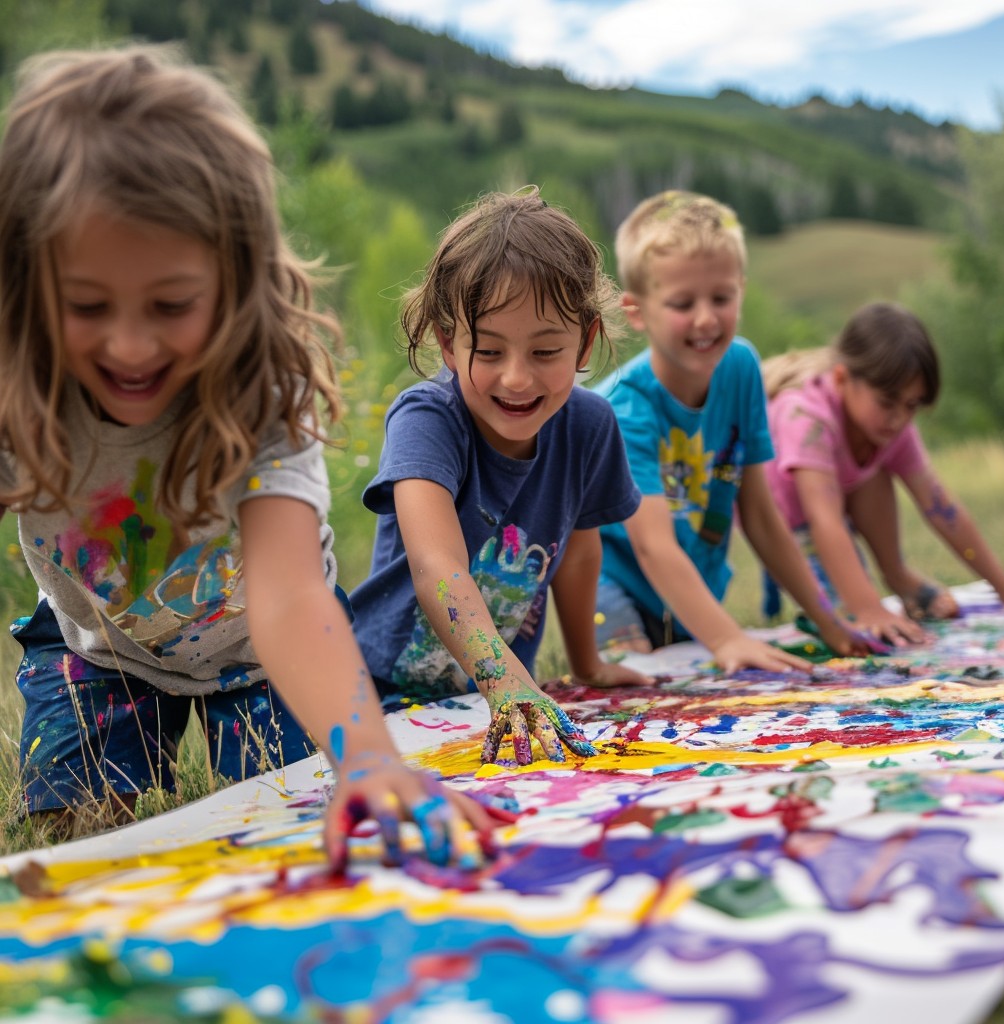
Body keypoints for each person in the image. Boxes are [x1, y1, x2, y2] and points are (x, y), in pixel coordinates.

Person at [0, 45, 496, 871]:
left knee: (288, 835)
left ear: (236, 281)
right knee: (80, 852)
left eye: (171, 304)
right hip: (97, 647)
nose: (129, 344)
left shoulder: (261, 389)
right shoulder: (19, 386)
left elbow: (290, 593)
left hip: (264, 656)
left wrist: (369, 758)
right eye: (86, 305)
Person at [350, 187, 648, 765]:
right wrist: (503, 680)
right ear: (448, 343)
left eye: (545, 352)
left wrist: (585, 664)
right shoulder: (427, 419)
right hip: (382, 699)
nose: (516, 379)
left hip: (503, 707)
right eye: (488, 351)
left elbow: (582, 554)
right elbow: (436, 561)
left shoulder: (589, 425)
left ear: (586, 340)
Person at [594, 190, 866, 670]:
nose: (705, 318)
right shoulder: (625, 409)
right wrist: (726, 639)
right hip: (616, 586)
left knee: (700, 675)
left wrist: (829, 620)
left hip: (697, 575)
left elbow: (760, 514)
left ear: (741, 287)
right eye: (682, 302)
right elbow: (651, 546)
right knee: (638, 686)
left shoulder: (740, 366)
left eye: (721, 297)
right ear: (637, 311)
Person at [762, 301, 1004, 642]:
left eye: (912, 405)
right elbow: (824, 520)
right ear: (842, 379)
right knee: (842, 618)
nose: (899, 418)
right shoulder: (805, 417)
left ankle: (896, 573)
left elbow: (941, 506)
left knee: (878, 469)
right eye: (887, 402)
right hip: (787, 524)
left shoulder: (889, 425)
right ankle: (860, 599)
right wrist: (868, 608)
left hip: (839, 501)